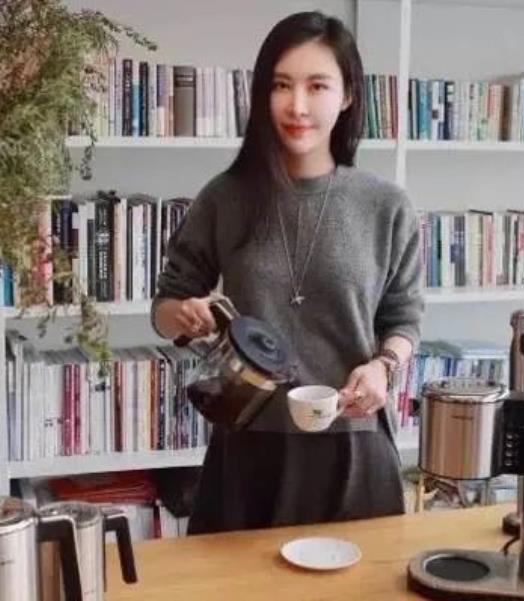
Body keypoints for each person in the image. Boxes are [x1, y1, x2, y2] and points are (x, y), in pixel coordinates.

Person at [151, 10, 424, 534]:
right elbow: (165, 307)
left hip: (353, 446)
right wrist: (183, 313)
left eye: (317, 85)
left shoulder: (386, 205)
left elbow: (404, 318)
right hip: (248, 449)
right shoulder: (225, 197)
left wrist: (383, 367)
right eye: (281, 85)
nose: (297, 105)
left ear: (347, 95)